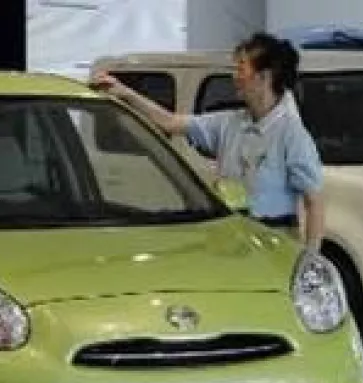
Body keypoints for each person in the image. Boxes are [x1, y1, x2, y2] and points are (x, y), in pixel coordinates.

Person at [91, 32, 325, 252]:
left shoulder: (291, 133)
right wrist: (127, 94)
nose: (234, 76)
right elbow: (170, 122)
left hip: (275, 244)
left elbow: (314, 202)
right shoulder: (228, 123)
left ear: (264, 77)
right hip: (233, 241)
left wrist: (311, 257)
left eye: (241, 68)